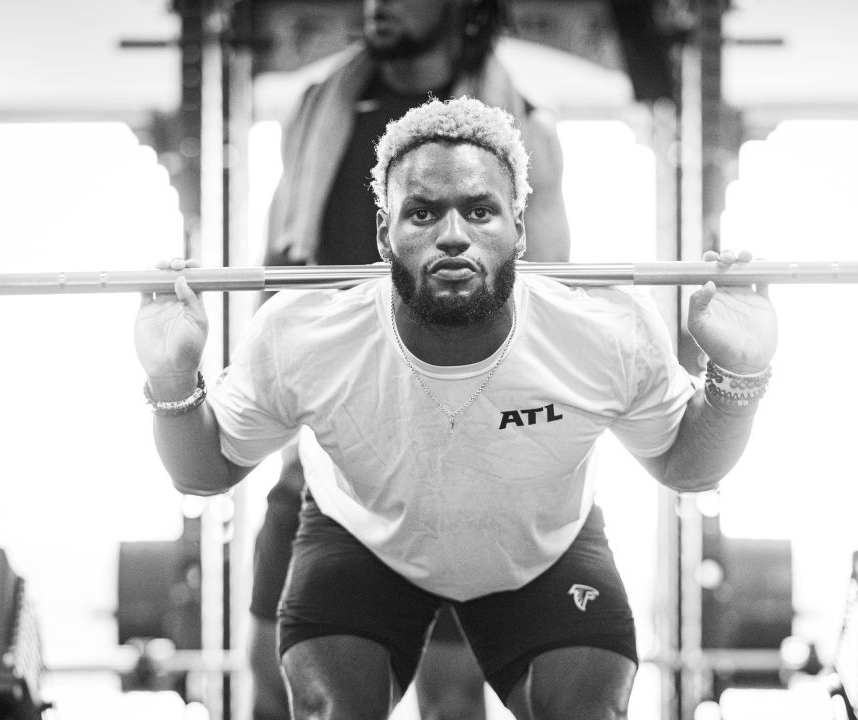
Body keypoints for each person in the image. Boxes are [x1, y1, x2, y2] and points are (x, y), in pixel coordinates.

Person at [135, 96, 778, 720]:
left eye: (479, 211)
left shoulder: (603, 329)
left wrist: (739, 372)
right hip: (364, 540)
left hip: (543, 548)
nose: (452, 236)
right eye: (422, 213)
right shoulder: (304, 335)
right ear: (385, 233)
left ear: (519, 229)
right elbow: (205, 470)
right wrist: (169, 377)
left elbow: (688, 467)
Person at [256, 1, 570, 718]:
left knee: (454, 699)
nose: (377, 5)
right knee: (276, 680)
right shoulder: (317, 109)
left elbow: (548, 284)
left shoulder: (521, 122)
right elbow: (279, 263)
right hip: (334, 422)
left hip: (458, 436)